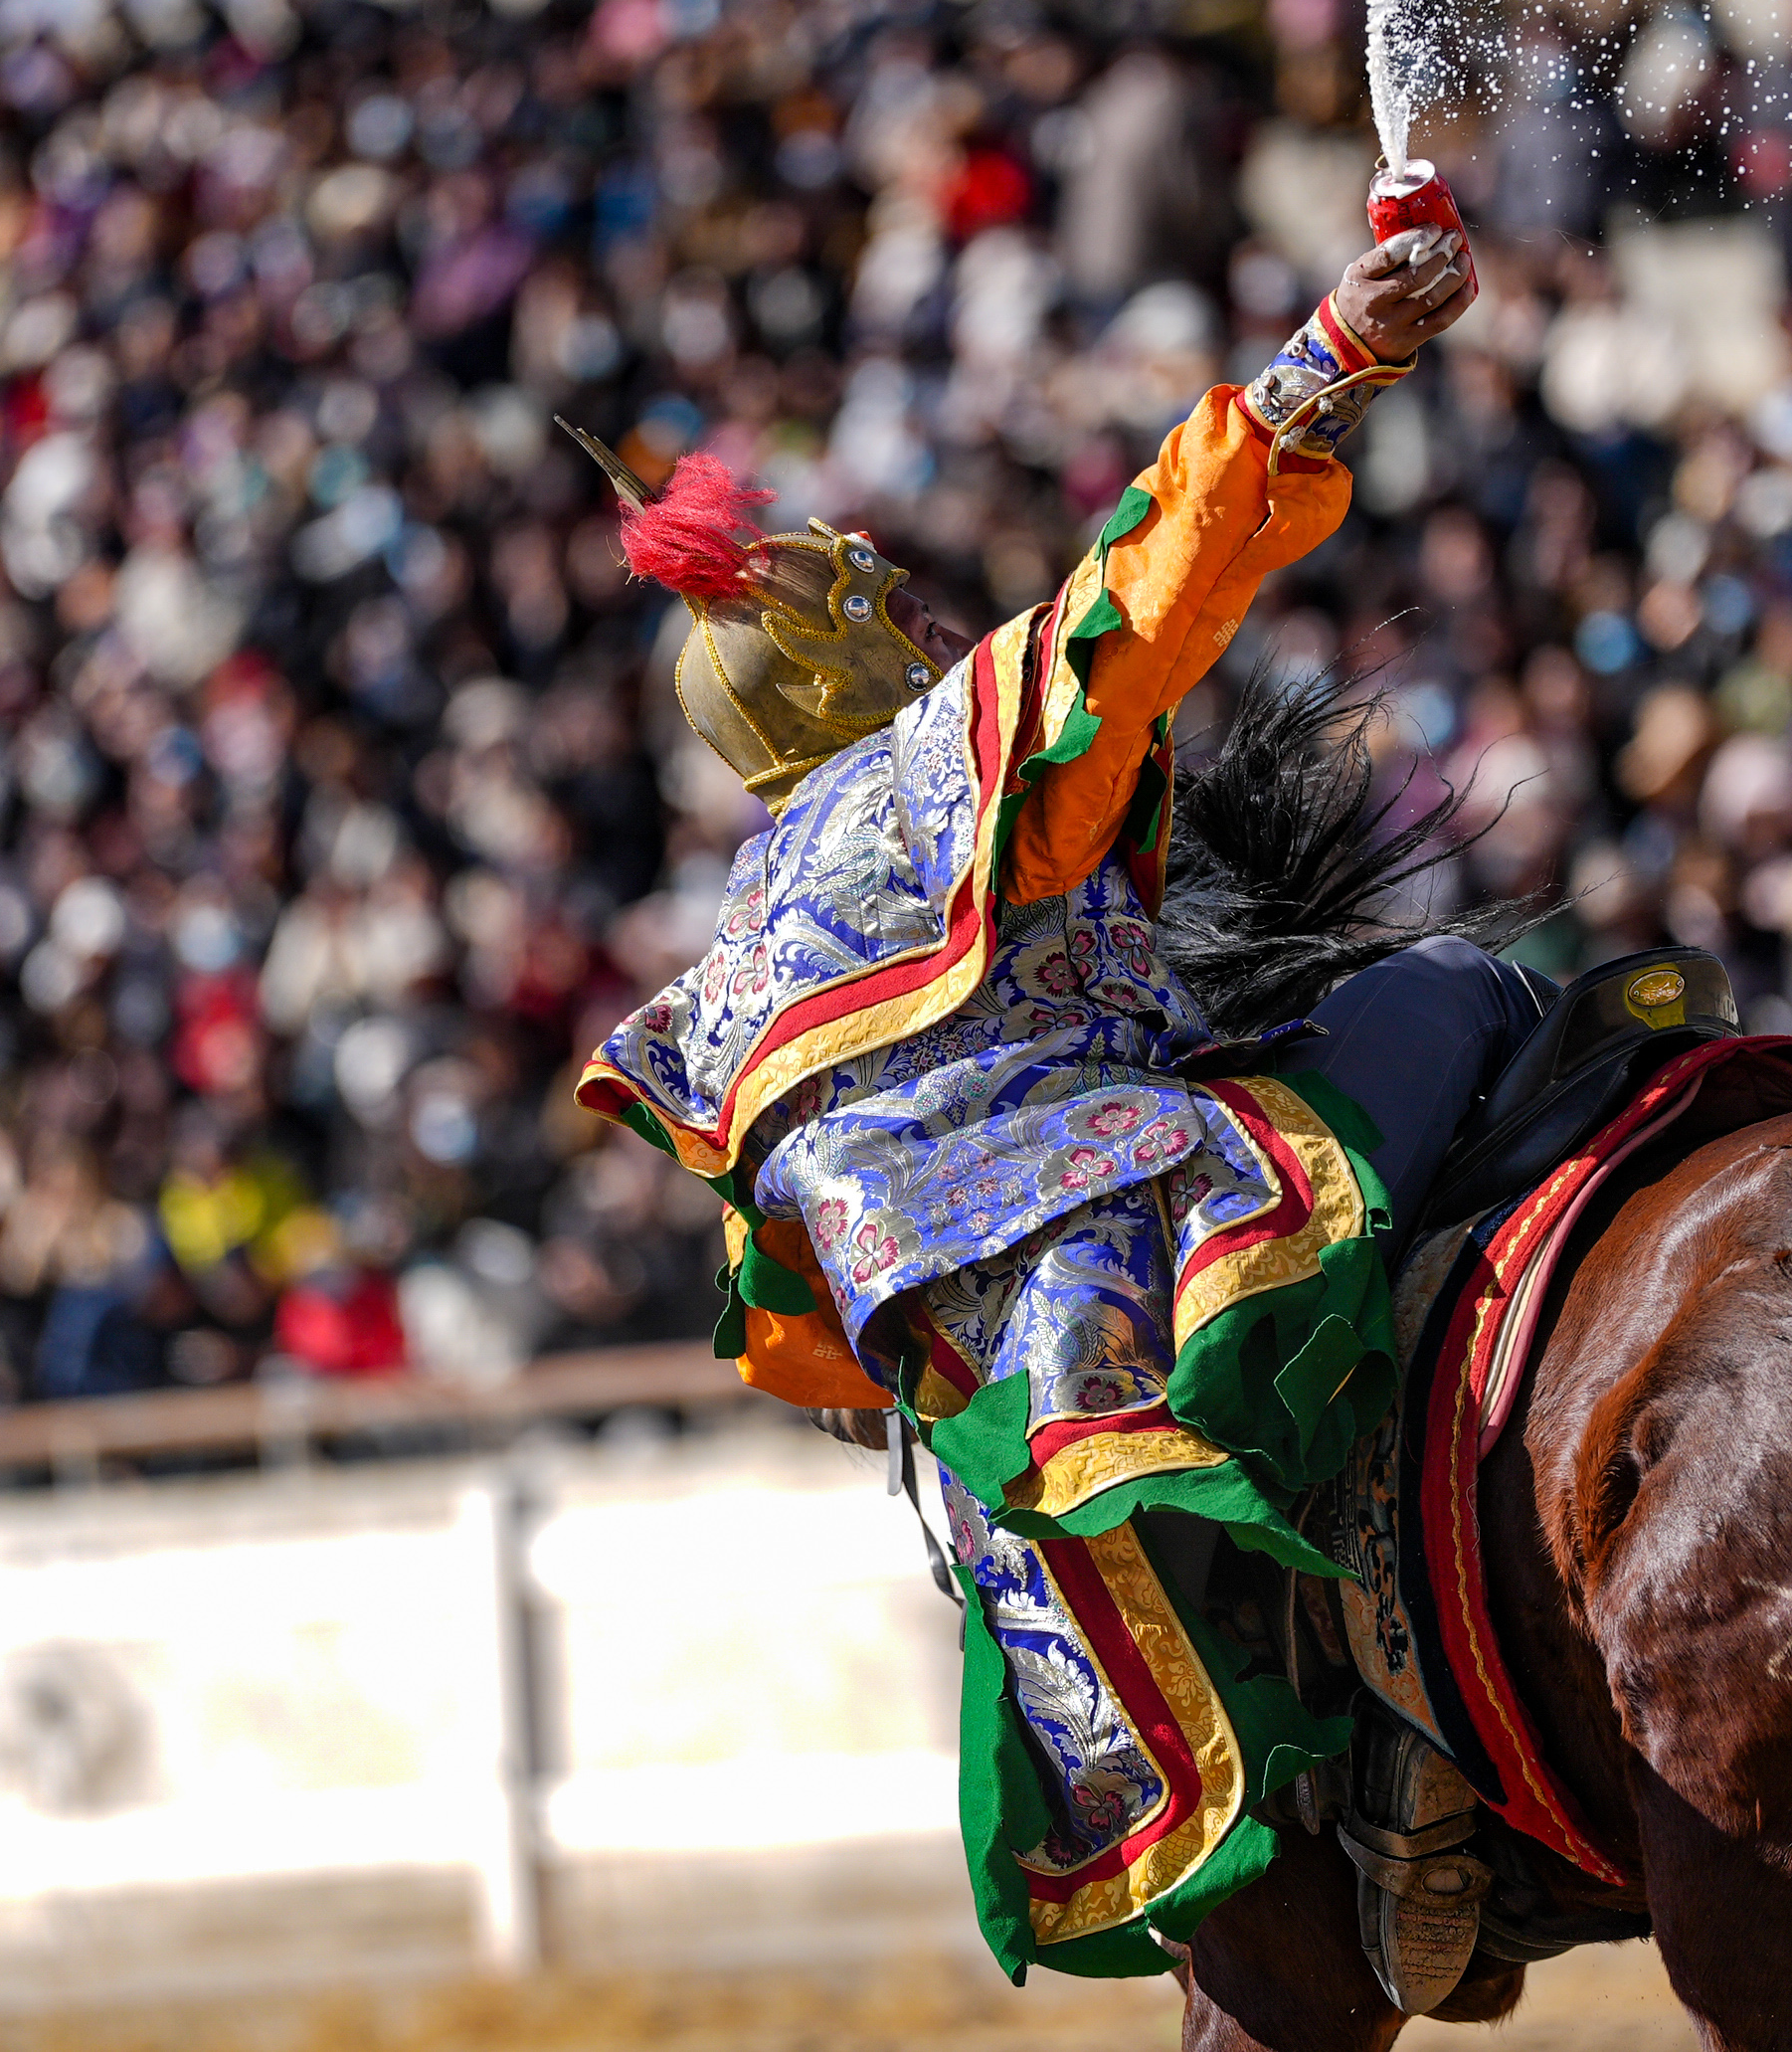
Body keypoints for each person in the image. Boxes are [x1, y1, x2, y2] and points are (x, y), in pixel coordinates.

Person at [573, 205, 1599, 1975]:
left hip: (990, 1443)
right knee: (1474, 995)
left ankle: (1367, 1744)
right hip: (1151, 1223)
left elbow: (793, 1305)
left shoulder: (738, 949)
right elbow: (1149, 588)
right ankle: (1443, 1670)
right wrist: (1326, 363)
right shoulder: (946, 761)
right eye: (883, 600)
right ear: (837, 664)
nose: (920, 606)